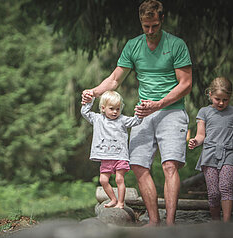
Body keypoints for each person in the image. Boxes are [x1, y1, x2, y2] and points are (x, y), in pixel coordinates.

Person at [81, 0, 192, 226]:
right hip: (143, 113)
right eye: (145, 26)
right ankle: (154, 222)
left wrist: (159, 104)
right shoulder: (133, 46)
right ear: (141, 22)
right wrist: (92, 92)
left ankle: (170, 224)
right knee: (139, 165)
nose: (150, 31)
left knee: (170, 165)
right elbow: (114, 79)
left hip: (171, 111)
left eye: (154, 26)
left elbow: (186, 84)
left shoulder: (177, 44)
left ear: (162, 20)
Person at [81, 91, 143, 208]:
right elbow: (84, 112)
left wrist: (140, 112)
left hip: (120, 156)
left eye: (118, 109)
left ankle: (121, 202)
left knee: (120, 179)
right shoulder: (97, 119)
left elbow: (136, 121)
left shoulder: (122, 120)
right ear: (103, 108)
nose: (115, 112)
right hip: (106, 157)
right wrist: (91, 99)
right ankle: (113, 199)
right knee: (103, 180)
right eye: (112, 108)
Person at [188, 77, 233, 223]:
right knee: (214, 193)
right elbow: (201, 135)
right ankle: (216, 222)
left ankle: (226, 224)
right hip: (210, 154)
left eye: (225, 99)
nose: (221, 103)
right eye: (217, 99)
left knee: (226, 187)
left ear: (230, 97)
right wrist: (196, 141)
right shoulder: (204, 112)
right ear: (210, 95)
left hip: (229, 153)